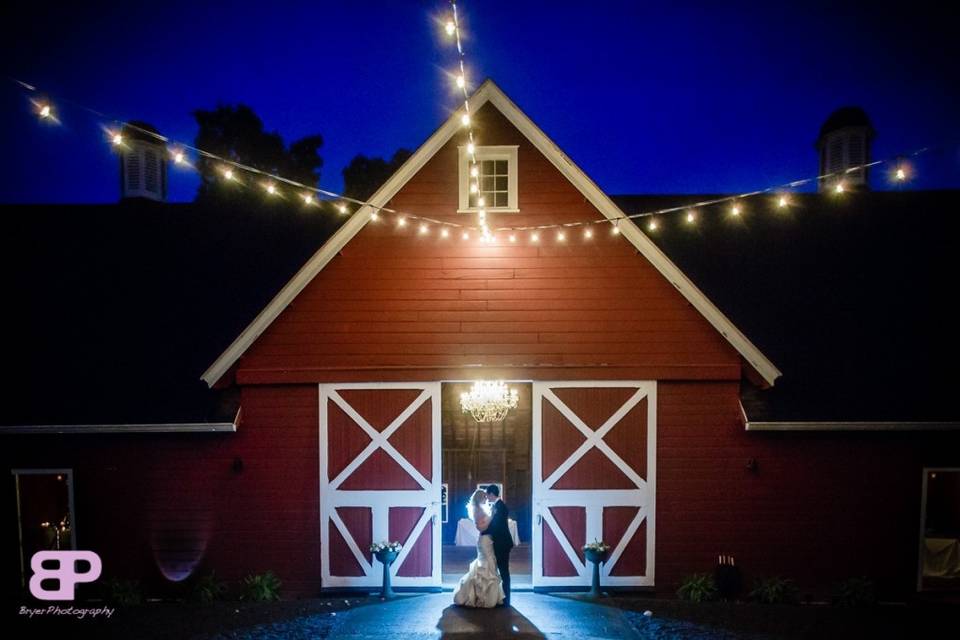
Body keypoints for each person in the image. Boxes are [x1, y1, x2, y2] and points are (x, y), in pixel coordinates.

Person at [452, 489, 505, 608]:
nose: (487, 499)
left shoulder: (479, 509)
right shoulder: (478, 510)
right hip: (485, 541)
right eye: (485, 497)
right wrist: (492, 517)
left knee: (487, 566)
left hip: (487, 540)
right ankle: (484, 598)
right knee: (487, 566)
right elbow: (481, 527)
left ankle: (487, 596)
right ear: (480, 498)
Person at [484, 483, 514, 606]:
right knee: (499, 570)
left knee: (504, 571)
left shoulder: (500, 507)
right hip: (499, 543)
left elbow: (496, 526)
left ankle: (506, 599)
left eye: (487, 495)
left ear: (492, 494)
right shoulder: (497, 506)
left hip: (502, 544)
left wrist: (484, 532)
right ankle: (500, 596)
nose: (487, 497)